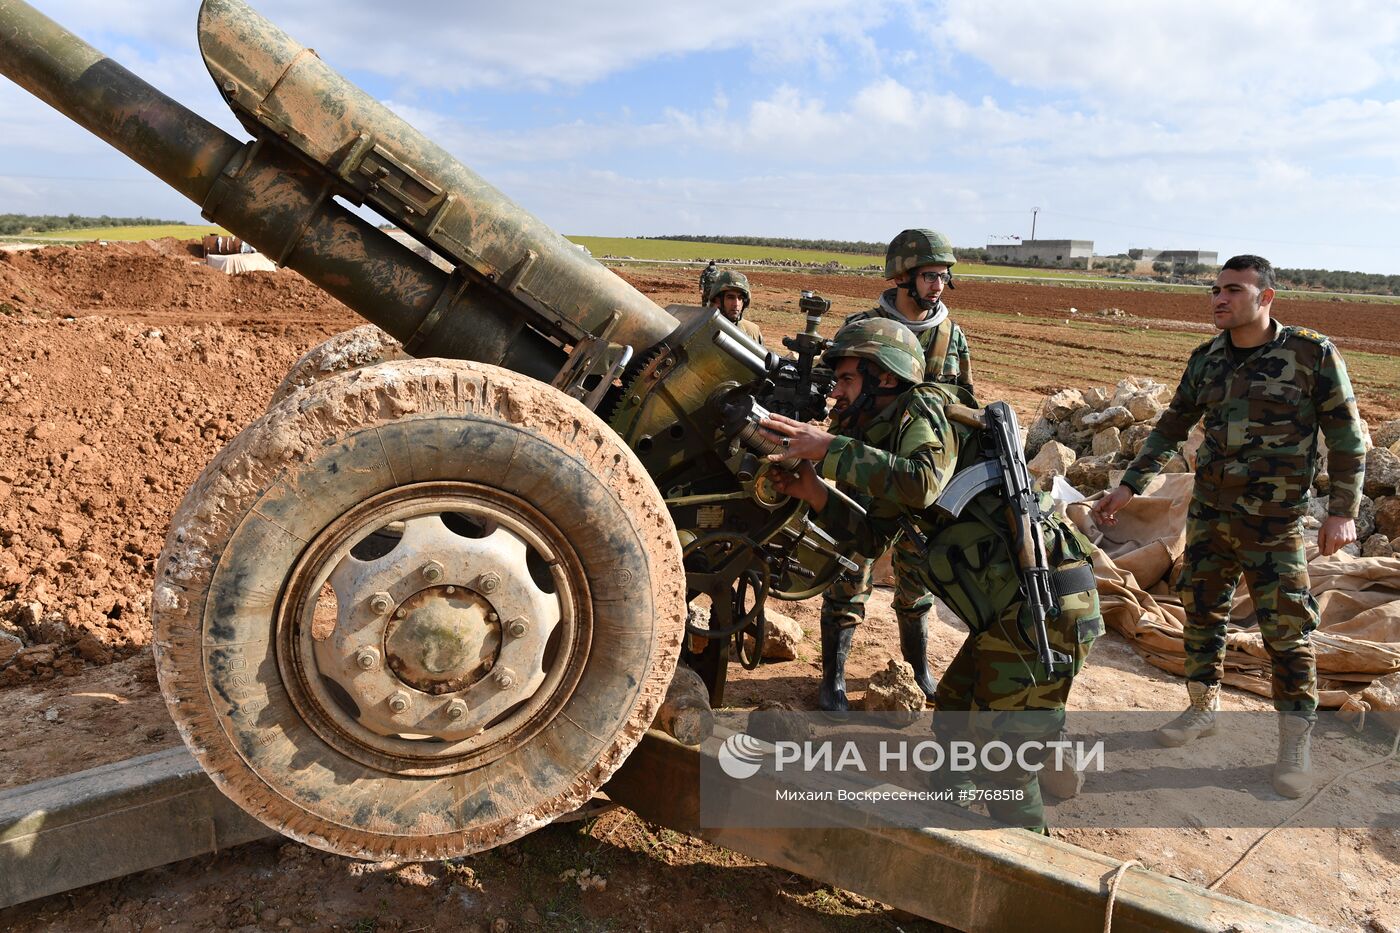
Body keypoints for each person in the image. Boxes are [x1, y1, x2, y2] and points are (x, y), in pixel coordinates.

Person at [762, 318, 1102, 831]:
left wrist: (828, 449)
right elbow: (872, 537)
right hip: (1005, 618)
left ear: (887, 379)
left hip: (1044, 611)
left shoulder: (922, 409)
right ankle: (947, 823)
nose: (836, 392)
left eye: (848, 379)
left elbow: (922, 483)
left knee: (1004, 765)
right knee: (955, 720)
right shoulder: (881, 440)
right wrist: (813, 491)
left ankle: (1032, 877)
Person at [1092, 254, 1364, 799]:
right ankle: (1201, 709)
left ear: (1266, 298)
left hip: (1276, 523)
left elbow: (1346, 436)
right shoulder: (1207, 359)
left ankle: (1294, 742)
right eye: (1215, 290)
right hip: (1211, 514)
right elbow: (1172, 425)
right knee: (1201, 611)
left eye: (1233, 290)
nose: (1219, 299)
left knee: (1287, 630)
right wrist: (1129, 485)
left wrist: (1343, 511)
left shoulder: (1311, 353)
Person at [816, 229, 974, 711]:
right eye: (929, 275)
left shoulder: (952, 336)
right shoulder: (861, 328)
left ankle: (918, 667)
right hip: (865, 472)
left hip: (921, 478)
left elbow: (965, 402)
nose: (939, 285)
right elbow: (835, 397)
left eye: (944, 276)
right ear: (902, 278)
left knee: (917, 577)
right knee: (850, 570)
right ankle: (833, 679)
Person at [707, 269, 764, 345]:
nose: (736, 304)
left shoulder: (753, 331)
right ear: (717, 301)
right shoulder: (704, 330)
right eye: (730, 297)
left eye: (740, 298)